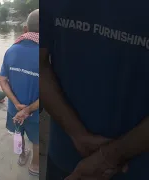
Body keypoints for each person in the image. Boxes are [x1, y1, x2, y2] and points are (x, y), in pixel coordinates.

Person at [41, 1, 149, 180]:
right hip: (130, 162)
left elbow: (40, 65)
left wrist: (81, 137)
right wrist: (109, 156)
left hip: (69, 156)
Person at [0, 9, 39, 176]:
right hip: (36, 114)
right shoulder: (47, 55)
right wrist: (28, 110)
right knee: (38, 140)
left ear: (24, 29)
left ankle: (22, 156)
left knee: (18, 132)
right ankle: (35, 166)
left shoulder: (11, 50)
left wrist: (16, 105)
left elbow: (2, 80)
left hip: (14, 109)